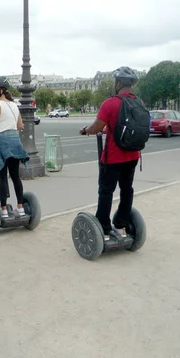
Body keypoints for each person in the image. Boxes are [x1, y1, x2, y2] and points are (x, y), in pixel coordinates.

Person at [79, 67, 144, 241]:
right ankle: (121, 225)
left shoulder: (110, 103)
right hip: (133, 155)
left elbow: (96, 127)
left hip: (113, 157)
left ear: (119, 83)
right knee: (127, 189)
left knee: (106, 191)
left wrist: (86, 130)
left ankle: (104, 226)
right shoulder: (139, 103)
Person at [0, 76, 29, 218]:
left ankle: (3, 210)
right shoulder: (15, 106)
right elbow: (20, 125)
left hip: (1, 142)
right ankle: (21, 208)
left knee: (2, 177)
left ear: (1, 90)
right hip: (15, 141)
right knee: (15, 176)